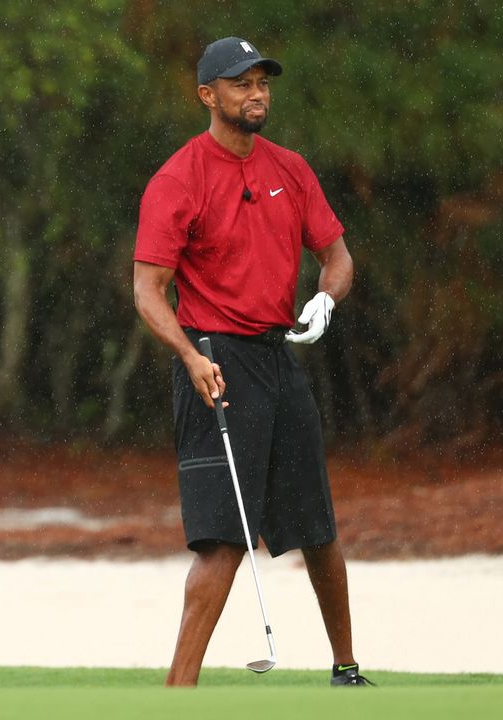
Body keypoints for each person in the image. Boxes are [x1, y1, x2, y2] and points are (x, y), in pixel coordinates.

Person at [132, 37, 370, 688]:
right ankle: (178, 691)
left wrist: (325, 297)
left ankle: (346, 668)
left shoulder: (289, 169)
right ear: (208, 95)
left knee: (318, 528)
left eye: (263, 82)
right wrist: (186, 356)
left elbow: (337, 256)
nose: (257, 93)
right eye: (241, 83)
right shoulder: (180, 178)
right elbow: (148, 290)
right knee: (223, 538)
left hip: (276, 357)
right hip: (213, 360)